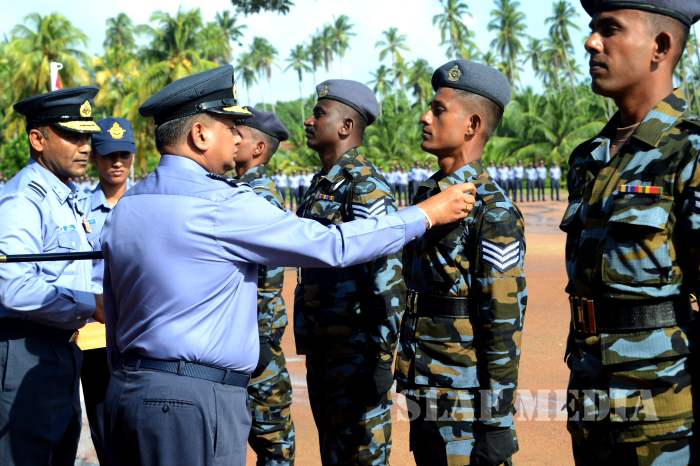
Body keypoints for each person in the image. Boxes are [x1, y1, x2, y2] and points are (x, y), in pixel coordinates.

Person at [100, 65, 476, 466]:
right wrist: (424, 214)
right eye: (231, 125)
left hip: (126, 391)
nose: (239, 136)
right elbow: (332, 246)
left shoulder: (125, 208)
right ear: (200, 134)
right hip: (194, 401)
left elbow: (114, 312)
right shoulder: (224, 205)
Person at [562, 1, 700, 464]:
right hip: (589, 396)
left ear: (660, 47)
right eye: (592, 28)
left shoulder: (690, 152)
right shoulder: (589, 158)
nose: (591, 42)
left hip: (662, 413)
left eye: (610, 29)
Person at [396, 59, 526, 466]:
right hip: (425, 384)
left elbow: (503, 323)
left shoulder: (493, 210)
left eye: (438, 109)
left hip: (465, 398)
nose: (424, 116)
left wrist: (498, 421)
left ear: (471, 125)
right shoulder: (428, 198)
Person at [295, 79, 406, 465]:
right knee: (333, 452)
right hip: (325, 348)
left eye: (319, 113)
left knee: (363, 455)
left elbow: (387, 276)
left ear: (345, 127)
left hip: (357, 353)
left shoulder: (365, 186)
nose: (308, 120)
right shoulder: (320, 185)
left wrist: (380, 359)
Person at [0, 86, 105, 465]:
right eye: (73, 136)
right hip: (27, 349)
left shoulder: (64, 195)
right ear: (37, 139)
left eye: (87, 137)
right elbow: (13, 287)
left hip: (62, 348)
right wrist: (91, 304)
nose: (85, 147)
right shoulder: (23, 199)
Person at [233, 106, 296, 465]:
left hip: (256, 333)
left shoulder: (258, 197)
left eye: (238, 135)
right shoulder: (239, 190)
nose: (230, 139)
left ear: (257, 149)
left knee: (273, 437)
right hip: (248, 331)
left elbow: (266, 283)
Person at [78, 116, 136, 465]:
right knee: (103, 425)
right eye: (108, 155)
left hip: (140, 332)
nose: (117, 162)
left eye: (123, 155)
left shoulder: (147, 202)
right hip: (96, 336)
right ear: (95, 159)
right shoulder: (79, 209)